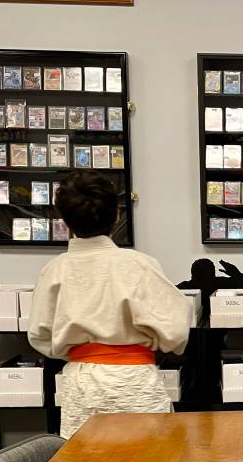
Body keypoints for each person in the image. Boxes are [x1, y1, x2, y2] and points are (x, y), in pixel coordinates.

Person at [28, 172, 192, 438]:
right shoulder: (138, 264)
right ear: (116, 215)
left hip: (80, 383)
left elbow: (40, 334)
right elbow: (174, 330)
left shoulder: (54, 270)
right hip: (133, 381)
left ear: (65, 220)